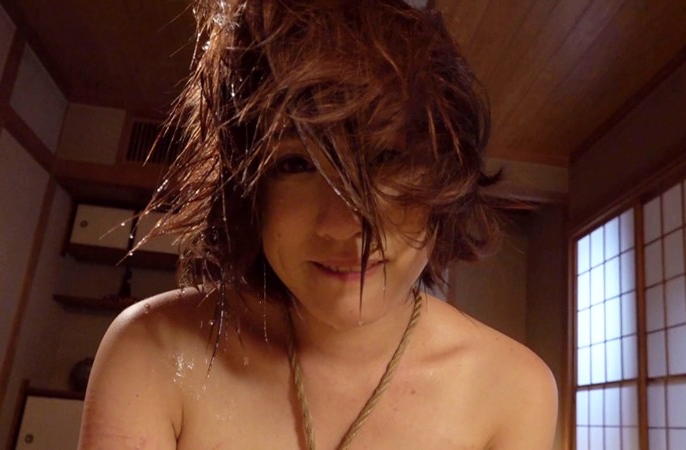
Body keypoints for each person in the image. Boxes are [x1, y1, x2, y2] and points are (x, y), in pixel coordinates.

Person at [78, 0, 558, 448]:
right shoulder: (152, 352)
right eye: (296, 164)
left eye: (388, 158)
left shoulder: (513, 389)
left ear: (445, 178)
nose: (345, 225)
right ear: (246, 189)